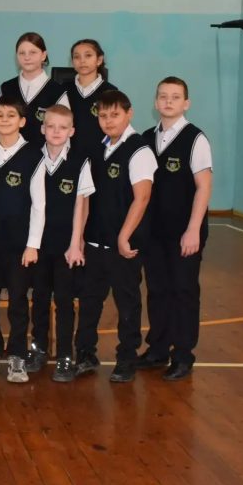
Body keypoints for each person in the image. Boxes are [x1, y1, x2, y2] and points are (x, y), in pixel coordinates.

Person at [74, 90, 158, 383]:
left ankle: (126, 359)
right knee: (89, 301)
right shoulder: (97, 148)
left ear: (129, 113)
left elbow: (142, 198)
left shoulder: (139, 150)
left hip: (124, 245)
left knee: (126, 303)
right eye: (103, 115)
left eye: (115, 115)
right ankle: (85, 353)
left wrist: (124, 236)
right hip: (95, 241)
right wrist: (81, 236)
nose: (108, 121)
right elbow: (86, 198)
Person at [140, 77, 212, 381]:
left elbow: (204, 187)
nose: (168, 101)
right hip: (154, 232)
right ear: (155, 102)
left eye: (175, 97)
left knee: (183, 290)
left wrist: (193, 229)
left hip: (184, 232)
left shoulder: (196, 138)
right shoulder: (147, 138)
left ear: (186, 103)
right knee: (157, 290)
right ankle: (157, 348)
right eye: (163, 96)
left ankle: (183, 354)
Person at [0, 97, 45, 383]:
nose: (4, 119)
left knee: (17, 300)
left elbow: (39, 204)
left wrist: (33, 244)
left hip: (19, 245)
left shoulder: (34, 155)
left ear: (22, 121)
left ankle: (17, 354)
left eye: (11, 115)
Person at [33, 105, 93, 383]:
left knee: (65, 301)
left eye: (62, 127)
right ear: (42, 128)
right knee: (39, 298)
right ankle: (39, 348)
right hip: (37, 243)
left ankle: (66, 355)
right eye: (51, 126)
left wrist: (76, 243)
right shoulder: (33, 158)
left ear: (72, 131)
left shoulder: (80, 162)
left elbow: (82, 205)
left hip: (66, 246)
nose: (56, 132)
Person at [0, 32, 69, 146]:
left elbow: (65, 133)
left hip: (44, 155)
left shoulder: (57, 91)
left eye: (33, 52)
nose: (27, 57)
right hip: (11, 154)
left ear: (43, 55)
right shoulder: (6, 88)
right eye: (22, 53)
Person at [66, 39, 117, 149]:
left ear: (99, 60)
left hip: (100, 153)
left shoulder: (111, 92)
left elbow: (115, 129)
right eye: (77, 57)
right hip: (69, 154)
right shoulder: (63, 90)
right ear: (72, 62)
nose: (82, 61)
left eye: (88, 55)